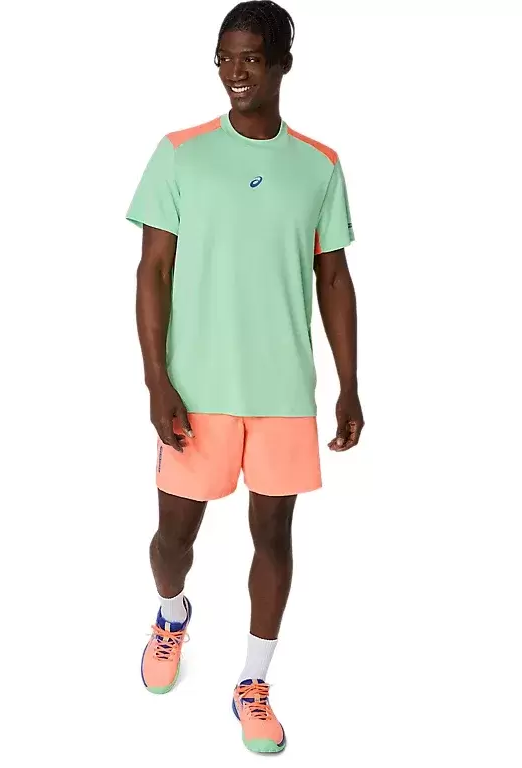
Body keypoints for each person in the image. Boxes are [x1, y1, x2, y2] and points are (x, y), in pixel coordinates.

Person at [125, 0, 362, 754]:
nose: (235, 72)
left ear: (282, 64)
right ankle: (171, 616)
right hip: (196, 389)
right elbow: (153, 270)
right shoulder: (180, 153)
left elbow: (334, 277)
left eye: (251, 58)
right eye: (225, 58)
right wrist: (157, 381)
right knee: (173, 539)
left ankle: (252, 683)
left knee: (275, 538)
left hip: (283, 390)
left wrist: (350, 384)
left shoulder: (320, 165)